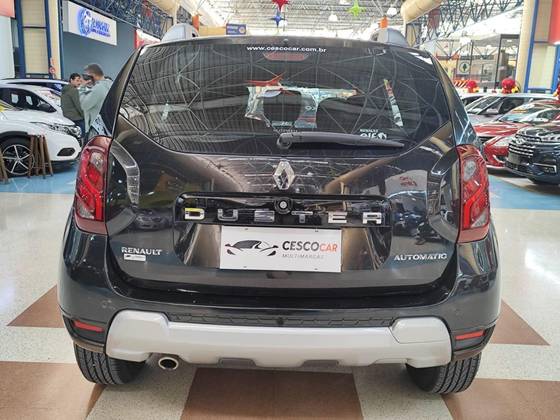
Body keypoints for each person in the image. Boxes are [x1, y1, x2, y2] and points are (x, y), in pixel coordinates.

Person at [80, 63, 112, 133]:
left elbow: (84, 105)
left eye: (86, 76)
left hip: (95, 128)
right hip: (106, 127)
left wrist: (82, 87)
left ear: (93, 75)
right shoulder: (110, 84)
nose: (85, 78)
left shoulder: (98, 88)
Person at [60, 73, 85, 141]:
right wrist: (84, 116)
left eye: (80, 81)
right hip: (76, 118)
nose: (79, 83)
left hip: (67, 117)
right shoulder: (73, 91)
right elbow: (79, 105)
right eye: (77, 80)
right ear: (71, 80)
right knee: (83, 136)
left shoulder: (64, 90)